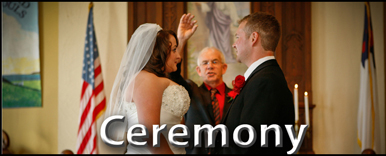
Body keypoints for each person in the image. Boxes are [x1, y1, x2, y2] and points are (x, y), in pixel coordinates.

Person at [104, 14, 198, 154]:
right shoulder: (146, 80)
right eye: (173, 50)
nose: (178, 56)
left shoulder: (153, 79)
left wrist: (182, 40)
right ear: (158, 52)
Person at [214, 12, 295, 154]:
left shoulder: (265, 82)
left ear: (253, 38)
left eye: (238, 37)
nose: (233, 44)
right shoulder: (263, 77)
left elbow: (249, 146)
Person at [169, 15, 233, 154]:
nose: (210, 66)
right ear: (198, 70)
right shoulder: (190, 91)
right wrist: (181, 39)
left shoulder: (236, 96)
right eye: (205, 63)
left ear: (224, 68)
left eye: (215, 62)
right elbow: (172, 73)